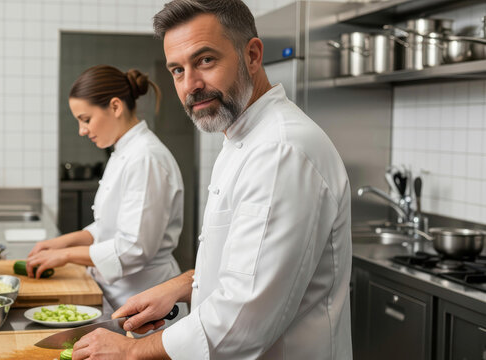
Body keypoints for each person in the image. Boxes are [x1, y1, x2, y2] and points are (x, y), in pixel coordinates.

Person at [70, 1, 352, 359]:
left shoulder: (279, 151)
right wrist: (184, 284)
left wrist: (130, 351)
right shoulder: (242, 138)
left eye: (205, 60)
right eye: (177, 70)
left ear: (251, 55)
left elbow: (243, 319)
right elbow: (251, 263)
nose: (191, 85)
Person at [26, 65, 185, 310]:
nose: (82, 130)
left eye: (86, 119)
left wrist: (67, 255)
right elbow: (109, 226)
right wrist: (64, 242)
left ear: (115, 106)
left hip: (148, 300)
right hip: (119, 293)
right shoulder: (123, 151)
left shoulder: (145, 158)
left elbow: (134, 248)